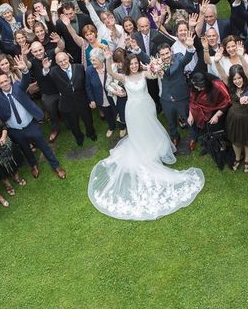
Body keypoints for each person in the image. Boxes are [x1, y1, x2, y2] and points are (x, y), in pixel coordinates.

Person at [87, 47, 205, 221]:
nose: (134, 66)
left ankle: (153, 149)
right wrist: (106, 59)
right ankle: (142, 151)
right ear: (128, 65)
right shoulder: (124, 77)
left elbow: (156, 74)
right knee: (137, 132)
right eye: (132, 63)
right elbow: (111, 72)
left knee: (151, 128)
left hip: (146, 106)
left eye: (136, 63)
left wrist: (157, 65)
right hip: (133, 110)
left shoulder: (144, 74)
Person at [0, 55, 66, 180]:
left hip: (31, 125)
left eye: (6, 81)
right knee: (26, 149)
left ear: (9, 79)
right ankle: (33, 165)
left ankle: (56, 166)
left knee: (44, 146)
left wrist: (24, 70)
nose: (4, 84)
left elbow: (26, 80)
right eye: (1, 83)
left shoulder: (18, 87)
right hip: (15, 130)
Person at [42, 51, 96, 146]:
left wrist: (90, 99)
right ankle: (79, 137)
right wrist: (46, 69)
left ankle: (91, 133)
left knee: (88, 120)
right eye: (60, 61)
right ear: (57, 63)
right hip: (68, 103)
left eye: (64, 60)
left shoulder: (79, 67)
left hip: (82, 100)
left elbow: (85, 84)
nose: (63, 63)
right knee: (73, 124)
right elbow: (45, 77)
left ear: (68, 58)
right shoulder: (54, 71)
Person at [156, 33, 196, 148]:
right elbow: (145, 59)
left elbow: (187, 58)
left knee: (188, 119)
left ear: (171, 52)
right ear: (159, 56)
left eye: (167, 53)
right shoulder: (157, 64)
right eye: (162, 55)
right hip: (166, 98)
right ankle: (175, 137)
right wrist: (137, 50)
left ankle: (193, 137)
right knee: (171, 121)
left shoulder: (178, 59)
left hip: (181, 97)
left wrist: (189, 47)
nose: (165, 56)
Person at [223, 65, 248, 172]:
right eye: (234, 79)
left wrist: (241, 57)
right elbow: (222, 75)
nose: (237, 81)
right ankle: (237, 158)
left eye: (239, 78)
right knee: (236, 141)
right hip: (234, 119)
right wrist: (216, 63)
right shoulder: (231, 86)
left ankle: (247, 160)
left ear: (244, 77)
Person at [187, 72, 231, 152]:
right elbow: (192, 101)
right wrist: (191, 115)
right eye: (197, 87)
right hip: (203, 112)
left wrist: (217, 116)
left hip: (218, 110)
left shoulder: (217, 86)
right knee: (207, 129)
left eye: (201, 88)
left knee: (216, 129)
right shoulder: (195, 87)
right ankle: (209, 143)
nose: (199, 90)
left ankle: (221, 143)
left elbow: (226, 102)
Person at [85, 49, 117, 138]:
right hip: (100, 97)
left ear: (101, 59)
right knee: (107, 114)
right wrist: (91, 100)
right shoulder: (89, 70)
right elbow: (88, 87)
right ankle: (111, 127)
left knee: (116, 111)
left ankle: (122, 126)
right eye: (91, 60)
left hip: (113, 95)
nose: (91, 62)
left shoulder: (109, 66)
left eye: (94, 60)